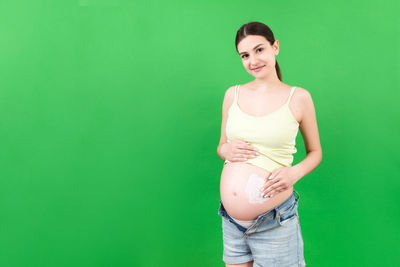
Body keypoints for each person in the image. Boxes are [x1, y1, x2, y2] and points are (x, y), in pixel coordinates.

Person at [216, 21, 322, 267]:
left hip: (274, 222)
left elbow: (316, 152)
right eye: (245, 55)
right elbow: (221, 146)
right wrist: (225, 150)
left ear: (275, 47)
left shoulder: (299, 98)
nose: (253, 60)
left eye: (259, 49)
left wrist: (294, 173)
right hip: (231, 222)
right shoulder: (232, 94)